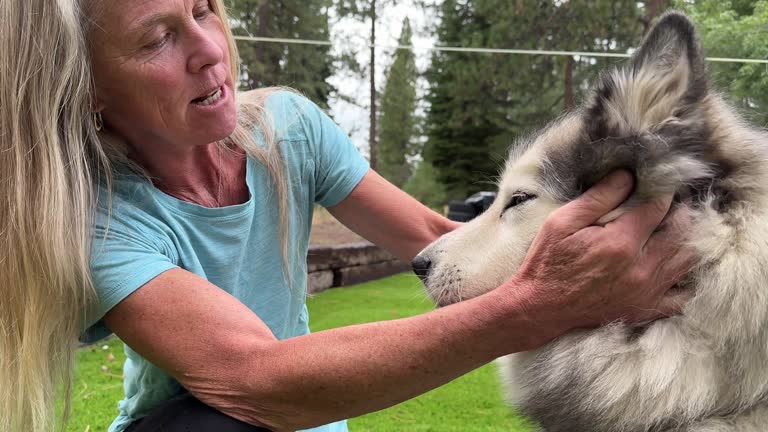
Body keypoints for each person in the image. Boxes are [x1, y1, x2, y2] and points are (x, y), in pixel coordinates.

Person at [0, 1, 693, 432]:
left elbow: (435, 241)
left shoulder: (288, 129)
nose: (209, 49)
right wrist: (541, 303)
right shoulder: (99, 222)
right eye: (157, 38)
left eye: (203, 8)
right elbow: (254, 380)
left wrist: (602, 251)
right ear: (87, 88)